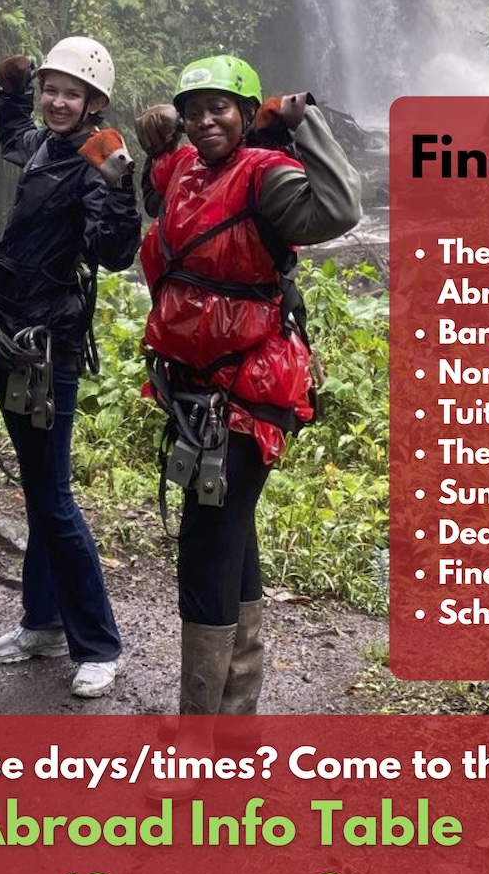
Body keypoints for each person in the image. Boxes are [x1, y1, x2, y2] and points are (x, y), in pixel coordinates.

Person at [136, 56, 361, 717]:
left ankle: (199, 737)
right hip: (193, 386)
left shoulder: (266, 177)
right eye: (195, 108)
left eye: (222, 108)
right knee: (231, 535)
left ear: (245, 113)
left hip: (249, 389)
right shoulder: (183, 169)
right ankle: (234, 723)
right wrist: (156, 138)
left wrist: (306, 121)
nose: (207, 119)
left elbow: (340, 208)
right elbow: (157, 191)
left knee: (206, 551)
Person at [0, 37, 139, 700]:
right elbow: (14, 132)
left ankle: (98, 643)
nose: (58, 101)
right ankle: (41, 622)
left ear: (95, 103)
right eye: (50, 89)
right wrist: (8, 90)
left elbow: (115, 251)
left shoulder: (94, 161)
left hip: (47, 345)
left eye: (73, 93)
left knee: (54, 496)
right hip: (10, 331)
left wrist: (120, 182)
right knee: (39, 489)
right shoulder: (43, 145)